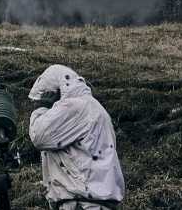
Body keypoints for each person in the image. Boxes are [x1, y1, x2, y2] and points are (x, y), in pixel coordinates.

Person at [28, 64, 125, 210]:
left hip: (83, 203)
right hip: (96, 202)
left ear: (56, 92)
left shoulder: (73, 107)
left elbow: (39, 135)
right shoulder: (93, 106)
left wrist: (41, 108)